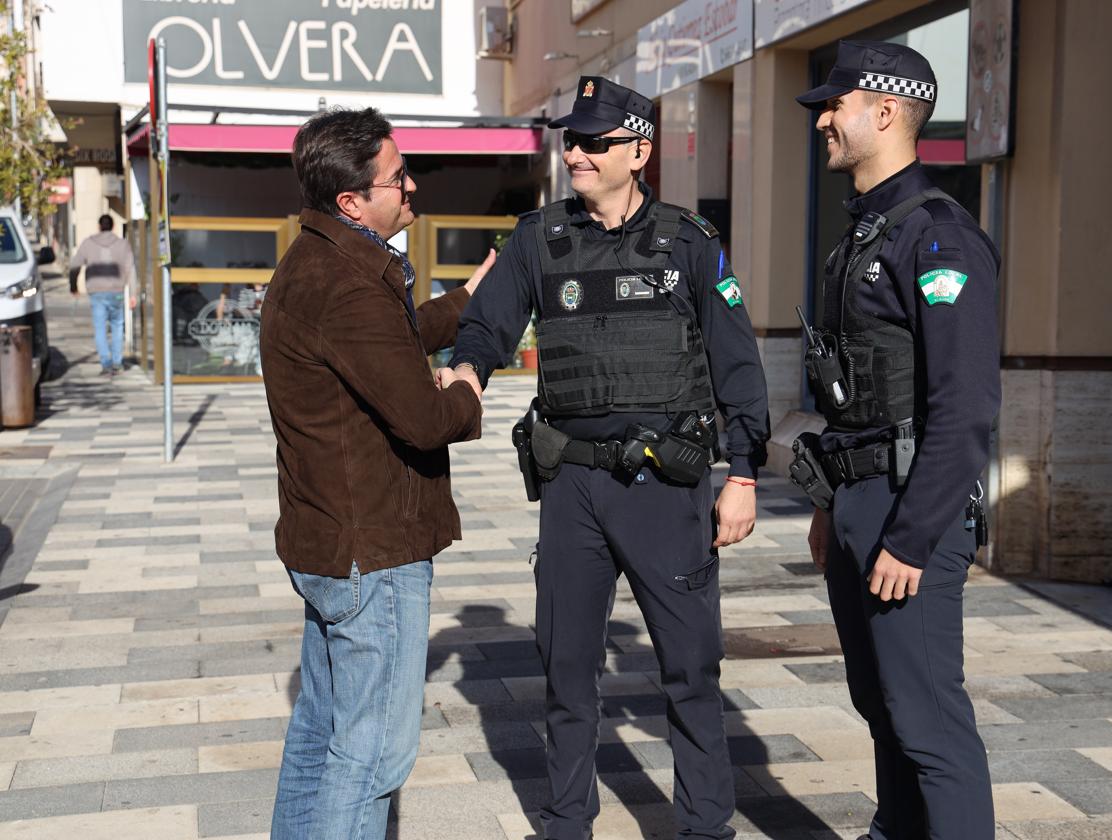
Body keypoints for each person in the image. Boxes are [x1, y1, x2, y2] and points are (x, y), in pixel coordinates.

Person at [447, 76, 771, 840]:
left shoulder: (690, 242)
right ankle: (566, 823)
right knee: (565, 675)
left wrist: (746, 475)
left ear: (639, 149)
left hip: (665, 485)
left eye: (594, 142)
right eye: (571, 139)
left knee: (691, 672)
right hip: (573, 486)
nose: (576, 153)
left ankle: (703, 826)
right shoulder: (536, 238)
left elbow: (737, 362)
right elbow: (487, 324)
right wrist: (468, 367)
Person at [260, 106, 493, 840]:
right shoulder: (351, 284)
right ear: (353, 201)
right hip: (373, 556)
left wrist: (460, 304)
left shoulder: (318, 263)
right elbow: (422, 418)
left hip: (329, 544)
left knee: (320, 736)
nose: (412, 186)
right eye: (398, 178)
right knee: (372, 758)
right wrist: (464, 391)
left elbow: (376, 350)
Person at [793, 41, 999, 840]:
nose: (823, 123)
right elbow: (854, 401)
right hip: (859, 502)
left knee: (928, 719)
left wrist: (910, 539)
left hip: (913, 510)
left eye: (834, 108)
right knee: (879, 705)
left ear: (884, 111)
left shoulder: (937, 236)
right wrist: (828, 506)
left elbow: (967, 406)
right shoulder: (863, 236)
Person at [69, 214, 136, 375]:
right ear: (113, 227)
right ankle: (117, 363)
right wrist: (133, 293)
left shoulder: (88, 243)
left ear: (99, 226)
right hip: (117, 291)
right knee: (117, 326)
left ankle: (106, 363)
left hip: (96, 291)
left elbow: (74, 265)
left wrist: (73, 286)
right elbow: (131, 269)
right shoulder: (123, 244)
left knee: (100, 328)